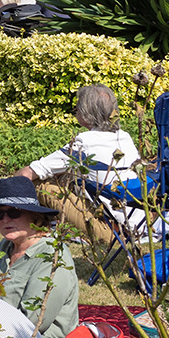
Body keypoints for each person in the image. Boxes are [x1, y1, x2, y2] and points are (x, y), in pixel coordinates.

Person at [15, 83, 141, 244]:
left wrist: (3, 195)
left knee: (40, 185)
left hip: (109, 229)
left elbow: (31, 172)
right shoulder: (124, 137)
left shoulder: (85, 142)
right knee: (68, 176)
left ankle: (8, 214)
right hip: (137, 222)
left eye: (77, 107)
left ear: (86, 112)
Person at [0, 177, 79, 338]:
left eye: (14, 212)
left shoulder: (52, 254)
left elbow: (31, 322)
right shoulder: (6, 246)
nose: (5, 219)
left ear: (35, 216)